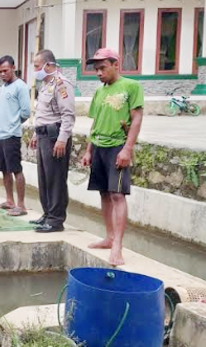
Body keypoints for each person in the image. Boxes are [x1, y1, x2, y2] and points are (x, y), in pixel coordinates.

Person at [81, 48, 144, 266]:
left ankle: (117, 245)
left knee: (118, 195)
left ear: (116, 64)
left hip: (117, 146)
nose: (98, 73)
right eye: (96, 69)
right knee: (104, 193)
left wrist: (127, 149)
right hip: (98, 145)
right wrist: (89, 150)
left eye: (102, 68)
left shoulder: (131, 86)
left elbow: (136, 119)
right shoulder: (100, 92)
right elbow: (95, 122)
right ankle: (108, 237)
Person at [29, 49, 76, 233]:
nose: (35, 70)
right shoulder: (45, 84)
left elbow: (68, 115)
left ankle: (56, 219)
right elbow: (44, 113)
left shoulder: (61, 84)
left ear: (49, 65)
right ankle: (47, 213)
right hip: (43, 135)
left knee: (56, 178)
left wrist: (62, 139)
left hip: (55, 136)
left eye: (37, 66)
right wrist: (35, 134)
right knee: (44, 178)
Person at [0, 55, 31, 216]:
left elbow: (25, 112)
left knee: (16, 169)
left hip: (12, 135)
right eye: (0, 71)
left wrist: (13, 123)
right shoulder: (3, 87)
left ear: (13, 68)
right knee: (4, 169)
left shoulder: (20, 87)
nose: (2, 74)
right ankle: (9, 200)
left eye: (5, 71)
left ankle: (21, 205)